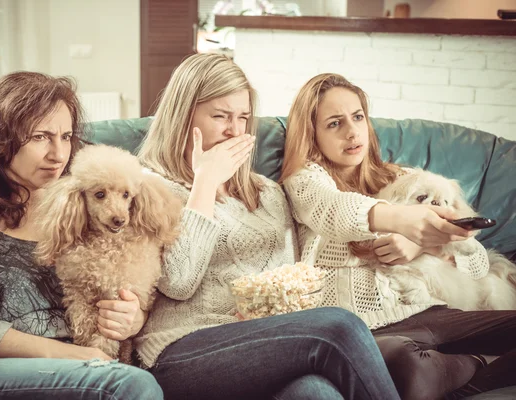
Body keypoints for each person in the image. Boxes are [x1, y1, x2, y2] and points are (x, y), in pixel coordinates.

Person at [134, 53, 402, 400]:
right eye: (220, 116)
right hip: (182, 350)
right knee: (339, 327)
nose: (234, 130)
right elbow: (179, 282)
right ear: (184, 116)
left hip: (264, 345)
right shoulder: (148, 186)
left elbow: (287, 279)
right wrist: (204, 182)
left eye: (243, 117)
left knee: (315, 393)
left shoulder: (268, 193)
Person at [0, 71, 163, 400]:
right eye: (40, 137)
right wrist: (67, 355)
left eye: (65, 137)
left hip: (83, 367)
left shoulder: (86, 207)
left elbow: (127, 290)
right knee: (129, 385)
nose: (57, 154)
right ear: (0, 138)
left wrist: (134, 319)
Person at [280, 72, 516, 399]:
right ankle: (472, 367)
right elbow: (337, 211)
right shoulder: (306, 181)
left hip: (434, 312)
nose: (352, 132)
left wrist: (422, 242)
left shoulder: (406, 179)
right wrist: (404, 222)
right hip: (370, 327)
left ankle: (469, 375)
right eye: (335, 123)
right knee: (409, 367)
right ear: (312, 133)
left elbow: (476, 264)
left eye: (358, 117)